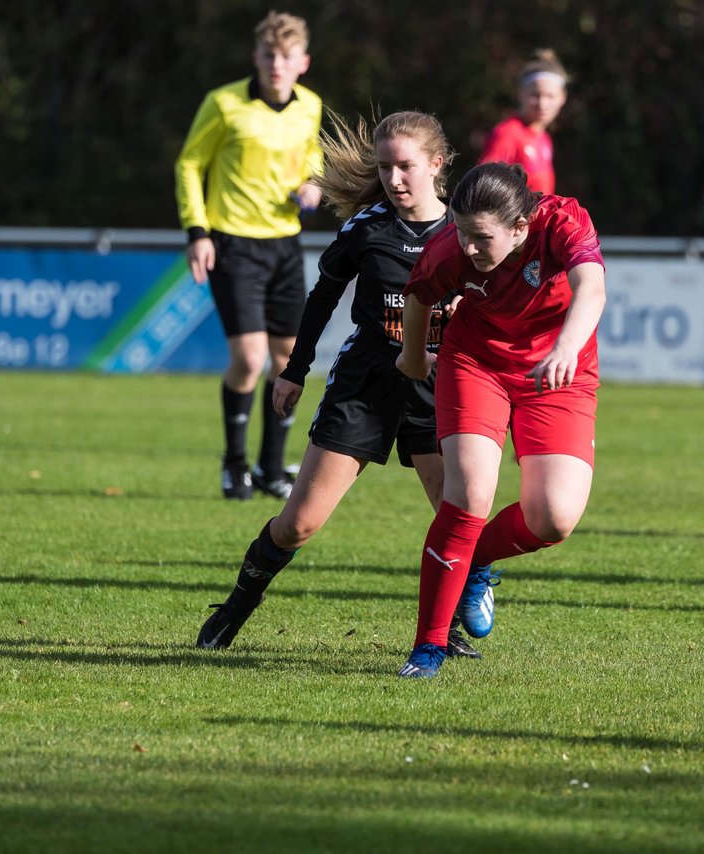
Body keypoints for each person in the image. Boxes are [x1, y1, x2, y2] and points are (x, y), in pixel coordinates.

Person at [195, 110, 482, 658]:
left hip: (437, 386)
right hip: (366, 383)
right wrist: (294, 371)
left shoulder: (465, 231)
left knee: (455, 517)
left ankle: (445, 632)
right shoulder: (367, 227)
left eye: (406, 167)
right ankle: (238, 603)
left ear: (437, 165)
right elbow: (322, 297)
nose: (394, 179)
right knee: (298, 524)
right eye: (385, 167)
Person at [394, 162, 606, 678]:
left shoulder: (562, 222)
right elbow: (419, 296)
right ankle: (428, 647)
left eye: (480, 237)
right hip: (475, 362)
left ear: (519, 227)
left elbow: (592, 288)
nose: (467, 247)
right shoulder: (451, 248)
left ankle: (476, 565)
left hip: (559, 369)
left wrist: (564, 348)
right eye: (461, 233)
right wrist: (416, 357)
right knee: (468, 496)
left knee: (553, 517)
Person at [174, 10, 324, 501]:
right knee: (250, 356)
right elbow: (191, 162)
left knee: (287, 359)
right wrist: (197, 230)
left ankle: (269, 469)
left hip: (284, 243)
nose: (276, 64)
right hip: (233, 242)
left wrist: (313, 186)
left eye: (286, 56)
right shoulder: (224, 103)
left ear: (302, 62)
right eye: (268, 54)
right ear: (255, 57)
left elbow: (313, 162)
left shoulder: (310, 107)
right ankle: (234, 464)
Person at [478, 49, 568, 194]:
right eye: (535, 95)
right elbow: (484, 189)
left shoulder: (544, 138)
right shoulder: (507, 133)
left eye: (550, 96)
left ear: (562, 98)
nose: (542, 104)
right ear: (521, 94)